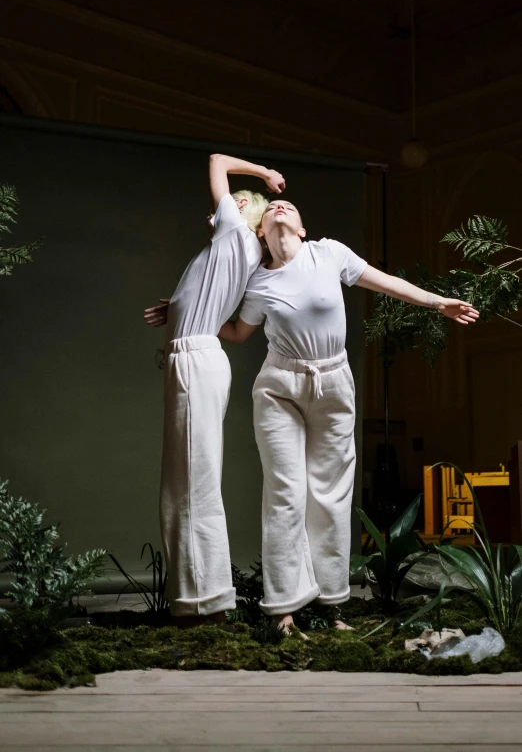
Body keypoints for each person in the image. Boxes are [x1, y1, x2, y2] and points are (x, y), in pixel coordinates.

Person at [219, 199, 479, 634]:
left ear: (302, 229)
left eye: (290, 206)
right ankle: (283, 607)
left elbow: (387, 283)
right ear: (260, 232)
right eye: (272, 208)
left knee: (332, 493)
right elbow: (237, 333)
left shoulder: (328, 254)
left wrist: (439, 303)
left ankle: (330, 605)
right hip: (280, 386)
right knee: (286, 492)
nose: (281, 206)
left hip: (334, 384)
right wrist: (185, 311)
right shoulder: (258, 283)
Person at [145, 155, 285, 627]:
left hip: (195, 362)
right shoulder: (229, 249)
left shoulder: (235, 232)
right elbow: (219, 310)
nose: (216, 209)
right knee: (185, 482)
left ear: (243, 210)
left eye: (234, 201)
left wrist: (264, 175)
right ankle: (198, 599)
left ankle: (206, 603)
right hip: (193, 355)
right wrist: (179, 308)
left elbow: (216, 160)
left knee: (191, 484)